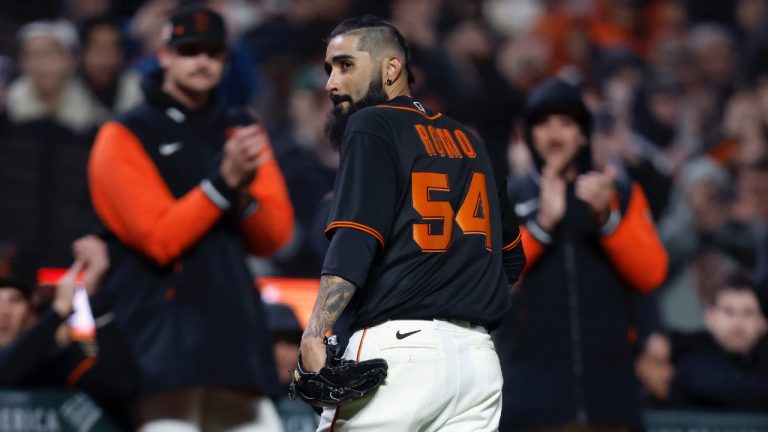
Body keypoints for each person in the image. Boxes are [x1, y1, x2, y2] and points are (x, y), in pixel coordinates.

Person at [298, 15, 525, 432]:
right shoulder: (470, 141)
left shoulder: (373, 123)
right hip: (478, 365)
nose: (331, 82)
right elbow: (511, 262)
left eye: (346, 65)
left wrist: (315, 332)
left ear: (391, 69)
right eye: (329, 68)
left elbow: (354, 239)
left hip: (398, 355)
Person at [87, 5, 293, 431]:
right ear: (164, 55)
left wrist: (239, 197)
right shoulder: (124, 133)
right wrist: (223, 183)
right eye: (189, 50)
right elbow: (159, 237)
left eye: (213, 52)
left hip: (232, 328)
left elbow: (274, 235)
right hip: (162, 338)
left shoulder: (240, 127)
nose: (202, 61)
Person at [497, 78, 669, 431]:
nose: (555, 133)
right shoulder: (508, 196)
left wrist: (608, 220)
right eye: (544, 123)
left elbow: (650, 274)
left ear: (584, 133)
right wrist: (543, 226)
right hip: (531, 393)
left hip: (610, 391)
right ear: (530, 134)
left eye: (566, 123)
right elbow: (492, 279)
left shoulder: (617, 191)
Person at [0, 235, 138, 429]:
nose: (3, 312)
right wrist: (58, 311)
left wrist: (96, 301)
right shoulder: (20, 360)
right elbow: (5, 375)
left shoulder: (53, 362)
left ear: (31, 309)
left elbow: (121, 386)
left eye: (15, 300)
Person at [670, 272, 768, 411]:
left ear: (763, 323)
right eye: (729, 312)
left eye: (748, 313)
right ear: (710, 317)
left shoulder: (762, 361)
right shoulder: (693, 360)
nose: (738, 323)